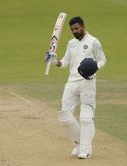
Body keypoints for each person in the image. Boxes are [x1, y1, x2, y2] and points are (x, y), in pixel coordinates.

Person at [45, 16, 106, 159]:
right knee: (64, 115)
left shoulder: (93, 42)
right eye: (72, 29)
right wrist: (55, 61)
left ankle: (86, 149)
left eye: (77, 28)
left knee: (85, 117)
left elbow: (103, 59)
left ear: (83, 26)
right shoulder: (71, 43)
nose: (74, 31)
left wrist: (94, 67)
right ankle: (79, 142)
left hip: (87, 81)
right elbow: (65, 62)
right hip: (72, 82)